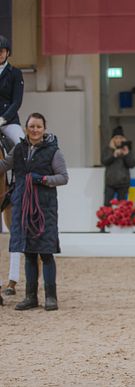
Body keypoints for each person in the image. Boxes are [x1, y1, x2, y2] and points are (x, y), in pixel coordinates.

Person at [0, 113, 69, 311]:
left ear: (44, 129)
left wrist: (44, 180)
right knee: (29, 253)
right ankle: (30, 296)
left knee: (46, 253)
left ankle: (50, 296)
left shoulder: (53, 152)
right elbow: (4, 165)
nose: (35, 130)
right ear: (27, 128)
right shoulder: (19, 148)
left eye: (38, 127)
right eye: (31, 126)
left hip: (44, 207)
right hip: (23, 205)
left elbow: (63, 177)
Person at [0, 35, 26, 298]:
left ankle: (20, 183)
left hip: (7, 119)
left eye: (2, 51)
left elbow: (17, 100)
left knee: (21, 143)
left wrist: (3, 118)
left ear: (7, 53)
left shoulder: (15, 73)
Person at [102, 126, 135, 207]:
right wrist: (114, 155)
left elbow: (132, 164)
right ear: (113, 139)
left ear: (123, 139)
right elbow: (104, 161)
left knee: (122, 208)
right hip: (110, 183)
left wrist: (126, 154)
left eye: (120, 138)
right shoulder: (108, 149)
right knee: (107, 206)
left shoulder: (127, 149)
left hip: (123, 184)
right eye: (116, 138)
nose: (118, 140)